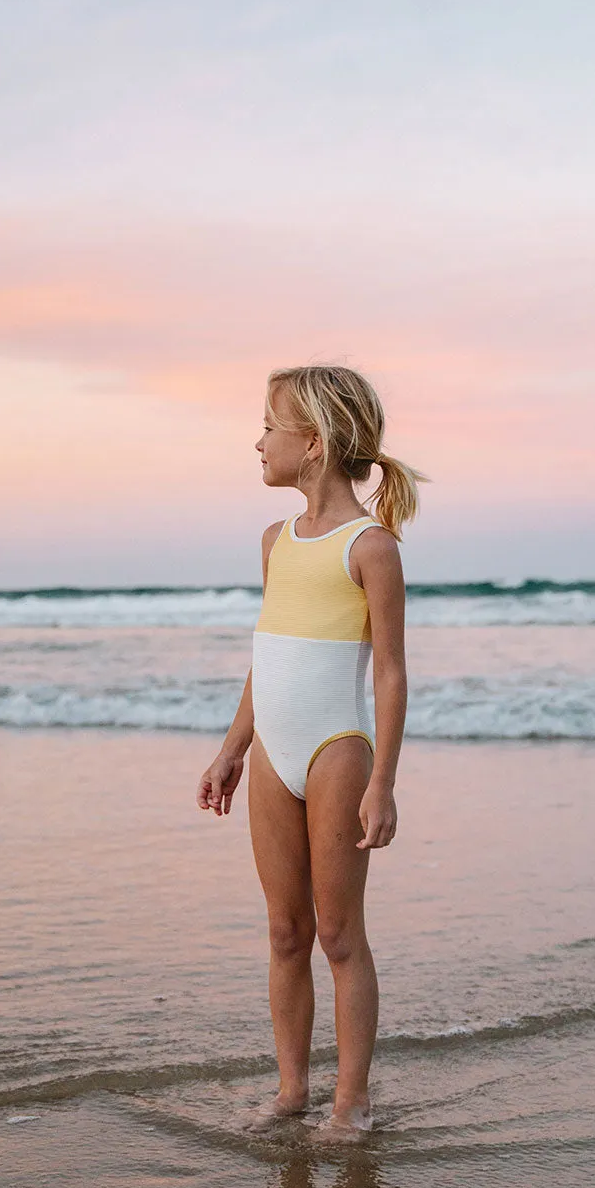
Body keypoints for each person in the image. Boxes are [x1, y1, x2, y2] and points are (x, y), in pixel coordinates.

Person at [196, 364, 425, 1140]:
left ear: (315, 443)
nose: (257, 441)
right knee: (285, 932)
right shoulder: (274, 541)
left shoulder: (372, 547)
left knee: (338, 935)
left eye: (269, 426)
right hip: (272, 754)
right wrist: (233, 747)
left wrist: (383, 782)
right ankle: (292, 1090)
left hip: (337, 751)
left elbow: (390, 672)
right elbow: (270, 656)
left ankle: (350, 1101)